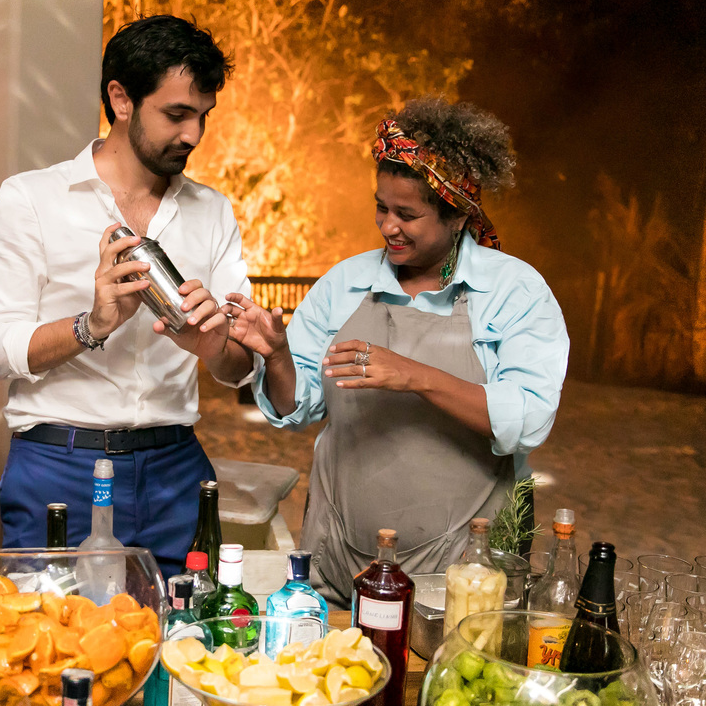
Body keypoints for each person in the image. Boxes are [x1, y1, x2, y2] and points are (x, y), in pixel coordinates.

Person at [225, 97, 569, 606]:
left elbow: (529, 418)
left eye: (407, 214)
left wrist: (414, 374)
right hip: (342, 560)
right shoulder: (346, 283)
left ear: (457, 216)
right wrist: (277, 356)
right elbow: (299, 407)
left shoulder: (514, 290)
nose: (388, 227)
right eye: (381, 208)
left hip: (465, 578)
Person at [0, 15, 255, 580]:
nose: (193, 135)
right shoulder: (31, 199)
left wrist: (213, 344)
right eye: (176, 114)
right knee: (50, 652)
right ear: (121, 100)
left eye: (203, 117)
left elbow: (238, 367)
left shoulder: (213, 210)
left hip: (178, 469)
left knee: (180, 646)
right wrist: (92, 324)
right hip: (59, 465)